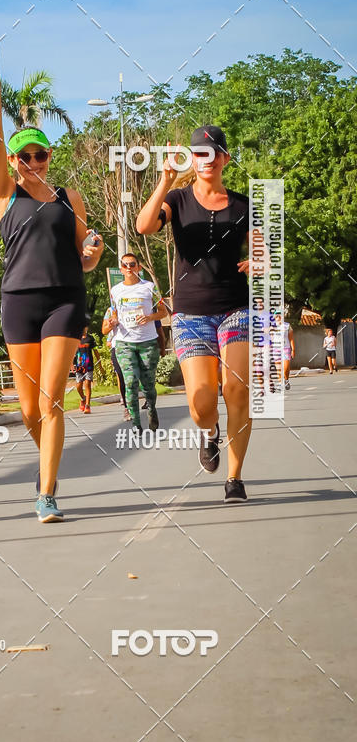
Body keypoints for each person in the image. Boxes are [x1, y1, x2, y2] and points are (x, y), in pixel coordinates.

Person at [0, 41, 104, 523]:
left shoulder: (70, 197)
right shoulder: (5, 195)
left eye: (40, 153)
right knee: (30, 409)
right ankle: (48, 462)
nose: (33, 160)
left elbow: (85, 260)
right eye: (24, 154)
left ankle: (46, 492)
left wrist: (90, 254)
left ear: (49, 156)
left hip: (65, 302)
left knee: (51, 400)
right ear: (12, 161)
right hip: (18, 304)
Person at [137, 125, 252, 503]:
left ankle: (234, 479)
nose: (206, 159)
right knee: (202, 404)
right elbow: (143, 227)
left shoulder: (242, 205)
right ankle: (209, 431)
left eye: (213, 153)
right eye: (199, 153)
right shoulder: (177, 199)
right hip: (191, 313)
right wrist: (165, 177)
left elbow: (264, 248)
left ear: (224, 159)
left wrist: (260, 260)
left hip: (236, 308)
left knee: (237, 391)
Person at [109, 252, 167, 432]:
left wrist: (149, 317)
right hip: (124, 342)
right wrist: (113, 321)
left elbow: (163, 312)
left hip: (147, 342)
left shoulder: (149, 287)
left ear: (139, 268)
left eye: (132, 264)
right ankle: (135, 423)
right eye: (125, 265)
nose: (128, 268)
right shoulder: (115, 290)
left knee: (148, 385)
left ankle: (151, 409)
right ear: (121, 269)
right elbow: (114, 313)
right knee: (131, 381)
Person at [101, 305, 130, 420]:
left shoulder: (133, 304)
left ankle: (138, 403)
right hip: (117, 346)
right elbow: (104, 330)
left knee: (133, 377)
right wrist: (111, 324)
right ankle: (127, 408)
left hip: (133, 343)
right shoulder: (111, 310)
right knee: (121, 376)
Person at [73, 324, 102, 413]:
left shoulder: (90, 338)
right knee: (78, 386)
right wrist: (71, 365)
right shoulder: (76, 339)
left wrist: (100, 364)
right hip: (79, 366)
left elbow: (96, 351)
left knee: (88, 384)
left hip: (88, 366)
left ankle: (87, 405)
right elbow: (72, 353)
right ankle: (83, 398)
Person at [274, 313, 295, 390]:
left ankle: (286, 380)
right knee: (278, 367)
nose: (278, 317)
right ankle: (280, 383)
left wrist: (293, 349)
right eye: (276, 316)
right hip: (276, 349)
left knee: (286, 367)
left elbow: (291, 338)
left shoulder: (287, 325)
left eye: (280, 315)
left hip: (286, 348)